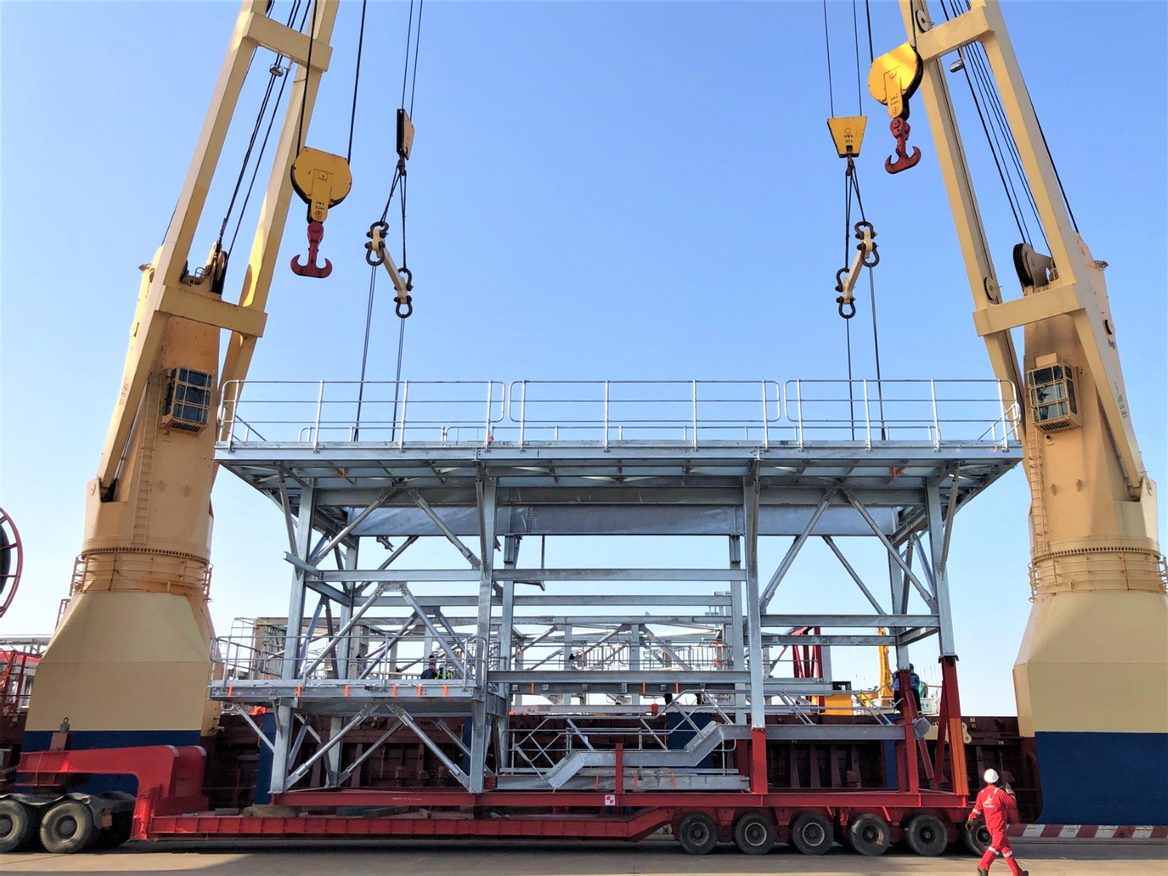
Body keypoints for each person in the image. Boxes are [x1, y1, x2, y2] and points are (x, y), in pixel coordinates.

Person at [968, 768, 1028, 876]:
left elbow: (977, 809)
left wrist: (971, 819)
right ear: (997, 780)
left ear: (986, 780)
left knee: (1006, 850)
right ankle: (983, 865)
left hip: (990, 826)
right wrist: (1009, 790)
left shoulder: (982, 793)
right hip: (999, 826)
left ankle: (1017, 872)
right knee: (996, 846)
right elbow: (1012, 803)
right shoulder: (1000, 793)